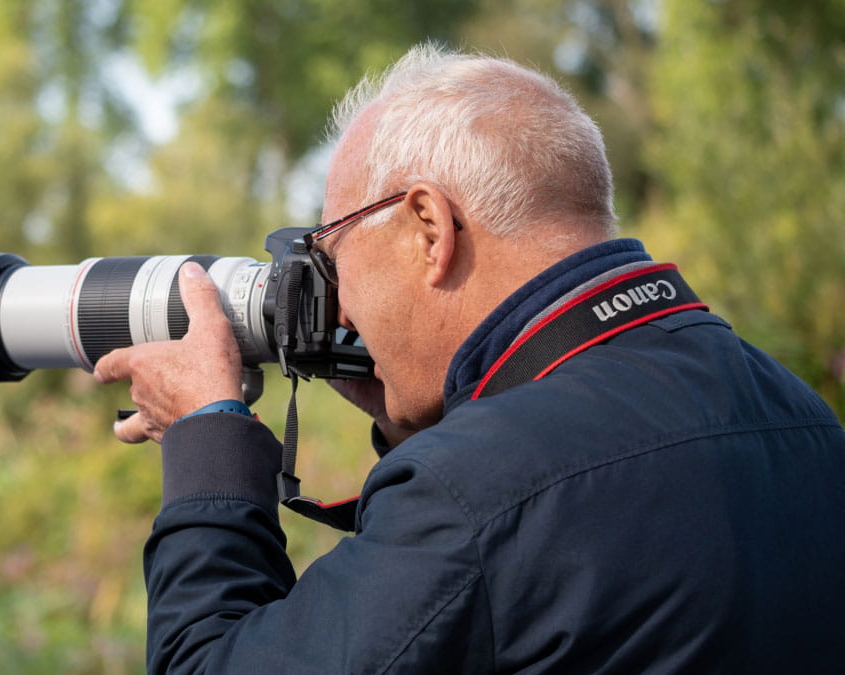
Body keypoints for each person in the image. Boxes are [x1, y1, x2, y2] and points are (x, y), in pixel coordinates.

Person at [93, 44, 845, 673]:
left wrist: (209, 443)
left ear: (429, 226)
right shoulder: (800, 415)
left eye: (333, 252)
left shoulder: (474, 490)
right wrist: (423, 422)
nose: (340, 307)